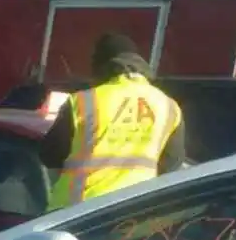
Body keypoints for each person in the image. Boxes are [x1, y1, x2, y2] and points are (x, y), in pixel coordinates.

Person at [39, 33, 185, 209]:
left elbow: (49, 155)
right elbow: (171, 166)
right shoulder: (168, 107)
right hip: (131, 216)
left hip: (74, 214)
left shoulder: (84, 101)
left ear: (101, 67)